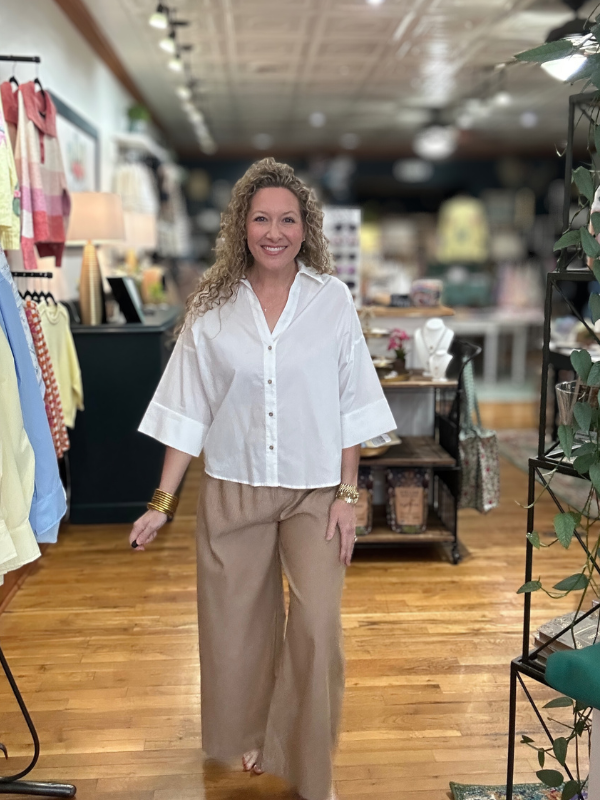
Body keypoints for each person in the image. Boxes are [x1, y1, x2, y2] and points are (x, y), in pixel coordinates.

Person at [129, 158, 396, 800]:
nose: (274, 232)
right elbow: (186, 405)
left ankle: (311, 770)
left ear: (305, 229)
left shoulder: (331, 299)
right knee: (236, 627)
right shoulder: (213, 307)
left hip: (314, 491)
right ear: (240, 227)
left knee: (316, 630)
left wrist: (348, 495)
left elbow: (351, 399)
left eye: (287, 219)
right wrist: (161, 502)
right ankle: (253, 733)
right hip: (234, 487)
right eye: (261, 219)